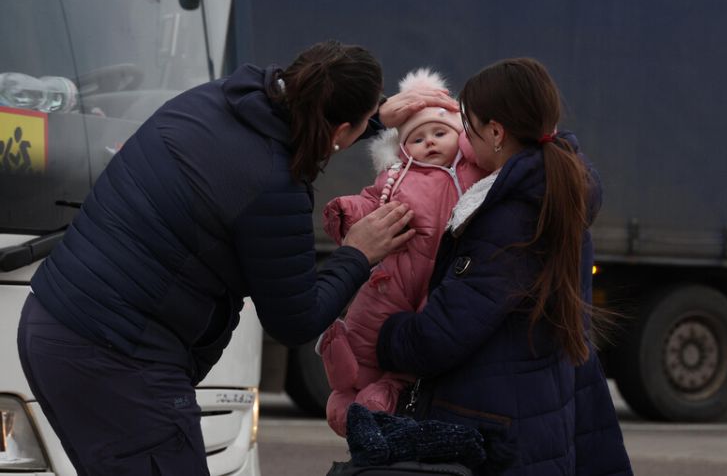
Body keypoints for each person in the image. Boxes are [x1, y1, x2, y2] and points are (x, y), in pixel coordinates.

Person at [16, 40, 457, 475]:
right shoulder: (273, 185)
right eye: (364, 120)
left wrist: (379, 115)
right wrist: (357, 254)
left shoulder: (219, 98)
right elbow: (295, 319)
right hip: (118, 361)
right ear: (341, 132)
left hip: (54, 324)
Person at [375, 58, 633, 475]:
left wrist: (386, 333)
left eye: (468, 127)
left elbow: (442, 335)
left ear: (496, 133)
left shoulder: (510, 218)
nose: (462, 140)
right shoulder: (557, 192)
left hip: (497, 435)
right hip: (539, 418)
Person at [317, 68, 487, 437]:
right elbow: (370, 203)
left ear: (461, 136)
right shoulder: (397, 178)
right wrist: (347, 212)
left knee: (419, 343)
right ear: (403, 149)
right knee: (370, 330)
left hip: (442, 281)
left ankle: (386, 393)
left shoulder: (474, 171)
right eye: (417, 139)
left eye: (440, 133)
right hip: (394, 277)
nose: (430, 143)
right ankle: (346, 379)